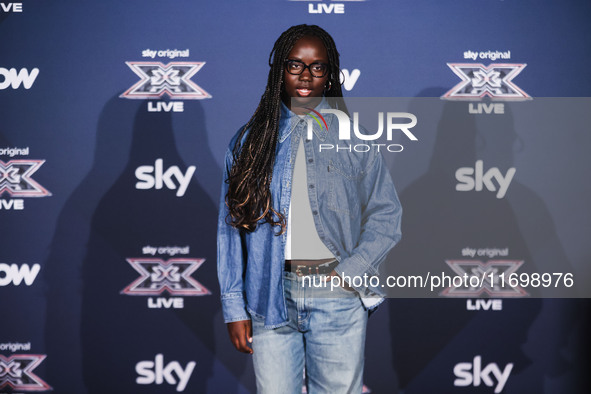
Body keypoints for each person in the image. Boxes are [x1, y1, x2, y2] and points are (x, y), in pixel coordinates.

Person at [217, 24, 402, 393]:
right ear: (278, 71)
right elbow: (230, 228)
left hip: (337, 296)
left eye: (317, 67)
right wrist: (234, 306)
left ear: (330, 75)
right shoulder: (250, 142)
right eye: (295, 65)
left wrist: (350, 273)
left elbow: (386, 216)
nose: (306, 76)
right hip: (270, 296)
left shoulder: (355, 138)